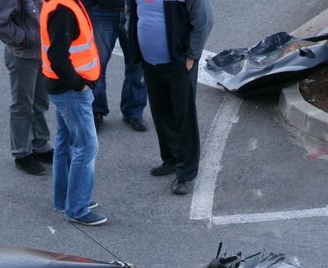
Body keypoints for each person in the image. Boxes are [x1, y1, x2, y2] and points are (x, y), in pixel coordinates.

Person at [125, 0, 212, 195]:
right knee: (161, 112)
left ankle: (186, 173)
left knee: (184, 117)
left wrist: (192, 55)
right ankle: (171, 159)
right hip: (150, 63)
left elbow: (204, 21)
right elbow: (132, 12)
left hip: (179, 64)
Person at [40, 0, 108, 226]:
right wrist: (79, 84)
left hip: (61, 88)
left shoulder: (59, 4)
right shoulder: (64, 11)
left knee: (65, 142)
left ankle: (64, 200)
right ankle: (77, 208)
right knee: (87, 145)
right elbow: (58, 57)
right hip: (71, 90)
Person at [0, 0, 54, 176]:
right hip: (23, 56)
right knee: (22, 106)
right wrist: (21, 37)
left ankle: (40, 145)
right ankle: (22, 154)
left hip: (43, 53)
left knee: (41, 102)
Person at [86, 0, 148, 132]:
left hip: (136, 11)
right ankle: (96, 110)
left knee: (136, 65)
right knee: (97, 65)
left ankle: (133, 110)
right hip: (102, 10)